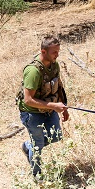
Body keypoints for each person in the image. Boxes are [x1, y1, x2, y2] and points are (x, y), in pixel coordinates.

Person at [17, 35, 69, 177]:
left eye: (58, 52)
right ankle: (38, 177)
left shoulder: (54, 65)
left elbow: (58, 86)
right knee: (38, 145)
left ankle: (28, 146)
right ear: (43, 51)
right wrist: (53, 105)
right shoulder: (33, 71)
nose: (57, 55)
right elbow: (28, 100)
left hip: (48, 109)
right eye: (54, 52)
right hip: (32, 113)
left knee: (56, 136)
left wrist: (64, 107)